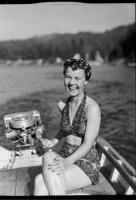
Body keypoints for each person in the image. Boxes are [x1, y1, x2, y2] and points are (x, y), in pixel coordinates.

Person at [34, 58, 101, 195]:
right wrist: (53, 141)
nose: (71, 83)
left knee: (41, 180)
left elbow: (88, 144)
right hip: (65, 155)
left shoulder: (92, 108)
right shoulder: (64, 105)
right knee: (40, 177)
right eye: (68, 77)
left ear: (85, 81)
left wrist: (66, 163)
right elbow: (66, 129)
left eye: (77, 78)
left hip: (85, 162)